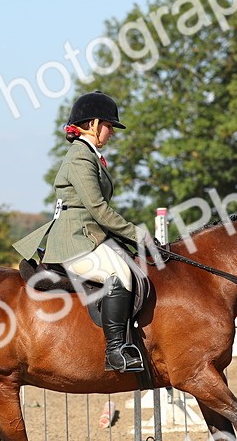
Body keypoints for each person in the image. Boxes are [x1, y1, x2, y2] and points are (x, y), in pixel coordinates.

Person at [13, 91, 152, 372]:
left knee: (132, 267)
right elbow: (99, 209)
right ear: (93, 124)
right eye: (109, 126)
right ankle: (115, 352)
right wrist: (140, 236)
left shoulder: (90, 155)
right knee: (119, 274)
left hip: (89, 235)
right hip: (74, 240)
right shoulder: (80, 157)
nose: (111, 132)